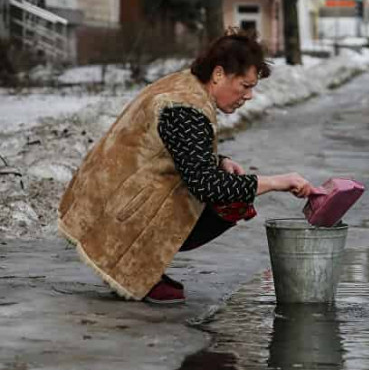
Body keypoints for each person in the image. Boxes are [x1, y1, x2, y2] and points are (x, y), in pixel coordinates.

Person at [57, 31, 313, 304]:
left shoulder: (185, 86)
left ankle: (142, 262)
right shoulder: (185, 108)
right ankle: (133, 265)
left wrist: (219, 160)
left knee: (225, 185)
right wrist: (276, 182)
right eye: (245, 85)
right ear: (218, 74)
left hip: (106, 195)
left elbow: (172, 148)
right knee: (229, 199)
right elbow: (206, 185)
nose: (249, 96)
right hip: (117, 208)